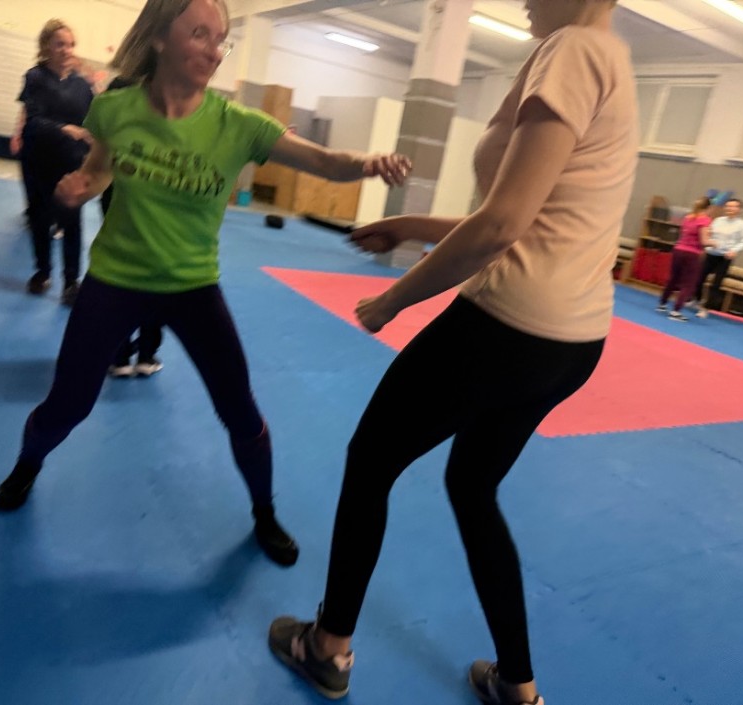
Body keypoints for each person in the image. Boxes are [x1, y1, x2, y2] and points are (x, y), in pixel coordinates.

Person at [268, 0, 636, 702]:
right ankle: (517, 685)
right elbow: (534, 215)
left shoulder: (572, 50)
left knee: (370, 460)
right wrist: (413, 225)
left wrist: (393, 300)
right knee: (472, 487)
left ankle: (328, 646)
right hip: (574, 340)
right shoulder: (613, 55)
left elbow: (502, 227)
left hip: (509, 326)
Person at [0, 0, 411, 569]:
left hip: (192, 287)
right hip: (115, 280)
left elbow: (326, 161)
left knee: (240, 411)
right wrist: (81, 187)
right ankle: (25, 468)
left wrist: (369, 163)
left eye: (221, 39)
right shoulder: (114, 108)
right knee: (67, 405)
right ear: (161, 39)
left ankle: (264, 511)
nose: (213, 51)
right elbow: (102, 168)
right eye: (199, 35)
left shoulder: (238, 125)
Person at [17, 19, 94, 306]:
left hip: (71, 164)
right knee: (40, 219)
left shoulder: (82, 86)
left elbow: (92, 122)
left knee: (72, 222)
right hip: (38, 162)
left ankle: (72, 281)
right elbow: (33, 121)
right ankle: (42, 271)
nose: (66, 50)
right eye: (60, 44)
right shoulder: (35, 77)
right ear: (46, 46)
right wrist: (65, 129)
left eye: (71, 44)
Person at [97, 73, 165, 379]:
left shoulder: (118, 97)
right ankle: (145, 355)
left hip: (119, 201)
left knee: (122, 280)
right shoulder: (162, 100)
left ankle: (120, 354)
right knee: (153, 282)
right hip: (153, 208)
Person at [655, 197, 712, 322]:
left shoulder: (688, 217)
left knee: (673, 279)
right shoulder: (704, 220)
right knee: (689, 283)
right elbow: (704, 241)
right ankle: (676, 311)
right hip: (692, 253)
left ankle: (662, 304)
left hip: (678, 250)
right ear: (708, 208)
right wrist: (715, 243)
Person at [693, 197, 743, 318]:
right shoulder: (718, 220)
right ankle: (697, 300)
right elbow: (709, 233)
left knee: (716, 283)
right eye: (728, 206)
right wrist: (707, 244)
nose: (730, 208)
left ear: (739, 209)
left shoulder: (742, 224)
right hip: (711, 253)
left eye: (733, 206)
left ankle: (706, 308)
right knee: (698, 278)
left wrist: (734, 250)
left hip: (725, 256)